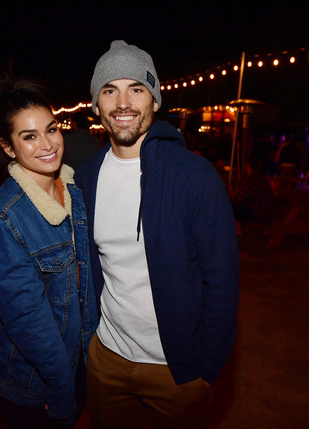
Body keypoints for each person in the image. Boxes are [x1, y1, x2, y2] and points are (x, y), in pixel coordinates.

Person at [74, 40, 240, 429]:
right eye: (109, 90)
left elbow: (222, 281)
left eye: (136, 88)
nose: (123, 103)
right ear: (96, 104)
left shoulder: (195, 177)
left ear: (155, 99)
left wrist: (208, 369)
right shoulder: (86, 177)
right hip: (107, 361)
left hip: (178, 371)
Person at [0, 78, 98, 428]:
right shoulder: (3, 219)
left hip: (82, 366)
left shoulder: (75, 193)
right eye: (29, 136)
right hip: (37, 383)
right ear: (8, 147)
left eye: (51, 129)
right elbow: (27, 320)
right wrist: (61, 390)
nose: (47, 144)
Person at [231, 154, 276, 233]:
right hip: (268, 214)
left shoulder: (251, 179)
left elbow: (237, 200)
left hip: (257, 216)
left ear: (248, 166)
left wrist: (231, 193)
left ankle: (233, 232)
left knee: (229, 208)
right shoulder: (263, 179)